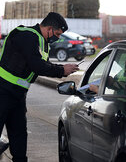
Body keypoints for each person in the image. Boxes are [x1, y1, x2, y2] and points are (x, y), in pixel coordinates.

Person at [0, 12, 79, 162]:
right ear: (49, 28)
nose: (58, 38)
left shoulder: (42, 43)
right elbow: (37, 65)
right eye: (56, 34)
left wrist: (63, 68)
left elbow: (44, 65)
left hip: (17, 95)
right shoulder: (27, 35)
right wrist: (62, 70)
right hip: (2, 90)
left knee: (19, 136)